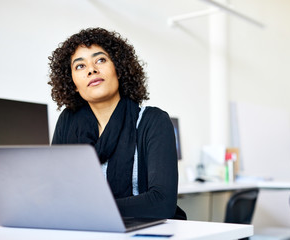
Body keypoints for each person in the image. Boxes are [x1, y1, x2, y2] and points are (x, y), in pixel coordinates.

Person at [48, 27, 186, 220]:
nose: (91, 69)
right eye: (80, 66)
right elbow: (54, 192)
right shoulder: (68, 121)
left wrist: (84, 210)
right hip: (85, 230)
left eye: (101, 60)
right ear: (73, 83)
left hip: (142, 230)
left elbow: (162, 203)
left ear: (119, 70)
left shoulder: (153, 121)